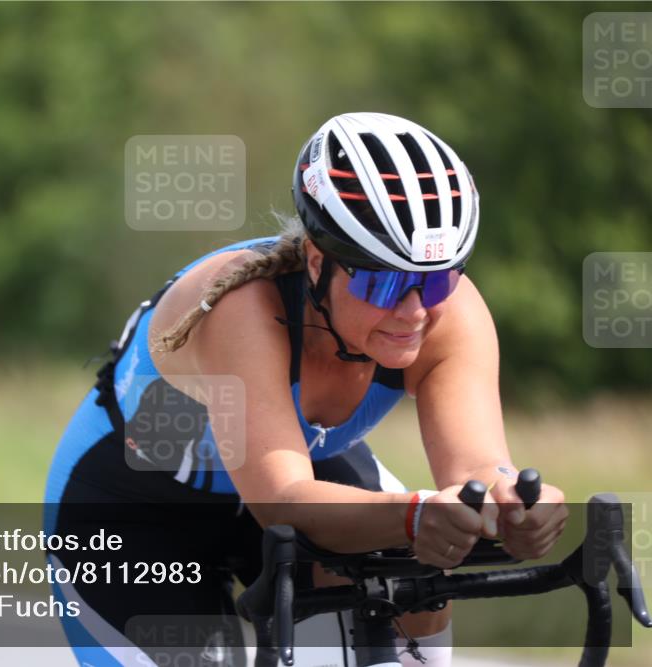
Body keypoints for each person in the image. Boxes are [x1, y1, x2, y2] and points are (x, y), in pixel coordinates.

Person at [44, 112, 568, 667]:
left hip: (304, 483)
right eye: (385, 283)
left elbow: (476, 472)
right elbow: (283, 501)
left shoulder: (450, 315)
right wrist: (416, 515)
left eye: (438, 279)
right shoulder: (245, 311)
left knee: (410, 590)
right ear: (318, 263)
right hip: (136, 511)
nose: (414, 310)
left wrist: (514, 508)